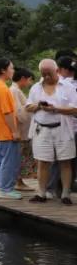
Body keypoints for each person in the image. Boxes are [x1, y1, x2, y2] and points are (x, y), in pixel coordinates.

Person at [27, 59, 77, 204]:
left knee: (65, 161)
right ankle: (41, 193)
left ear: (56, 71)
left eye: (49, 73)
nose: (46, 76)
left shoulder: (67, 87)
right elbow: (28, 106)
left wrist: (55, 109)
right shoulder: (36, 87)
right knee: (43, 162)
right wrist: (39, 106)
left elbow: (75, 109)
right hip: (42, 128)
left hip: (62, 127)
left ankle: (65, 194)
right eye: (43, 74)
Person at [0, 58, 22, 201]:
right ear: (3, 70)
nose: (13, 71)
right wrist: (14, 131)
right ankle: (5, 189)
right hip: (4, 129)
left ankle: (3, 187)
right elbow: (7, 112)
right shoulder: (2, 88)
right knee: (9, 160)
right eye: (11, 68)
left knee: (1, 159)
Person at [10, 67, 36, 191]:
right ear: (23, 79)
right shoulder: (15, 91)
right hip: (20, 130)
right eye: (30, 80)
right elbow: (18, 112)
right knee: (19, 156)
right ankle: (17, 182)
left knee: (21, 156)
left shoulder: (16, 90)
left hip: (22, 130)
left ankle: (18, 181)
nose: (30, 83)